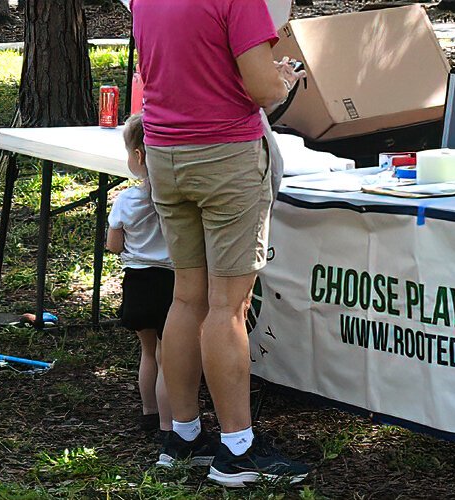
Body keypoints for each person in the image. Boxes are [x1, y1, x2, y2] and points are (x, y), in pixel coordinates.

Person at [132, 0, 310, 487]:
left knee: (186, 296)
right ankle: (237, 449)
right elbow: (262, 89)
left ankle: (183, 435)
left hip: (165, 152)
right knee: (227, 307)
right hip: (225, 154)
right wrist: (283, 77)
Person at [106, 114, 174, 441]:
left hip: (138, 282)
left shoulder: (125, 200)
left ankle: (149, 413)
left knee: (148, 353)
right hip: (172, 284)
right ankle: (169, 426)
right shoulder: (175, 199)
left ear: (138, 156)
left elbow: (113, 245)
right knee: (168, 356)